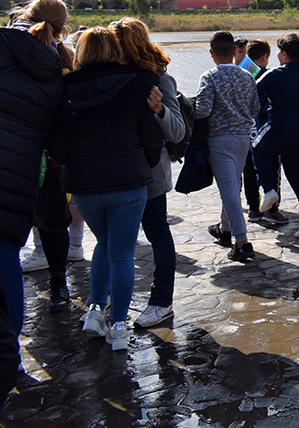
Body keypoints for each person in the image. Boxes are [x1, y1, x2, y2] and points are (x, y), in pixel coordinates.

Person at [56, 27, 165, 351]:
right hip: (127, 180)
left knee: (103, 244)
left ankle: (94, 310)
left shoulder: (64, 89)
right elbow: (152, 139)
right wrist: (140, 164)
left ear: (81, 51)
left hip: (85, 184)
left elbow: (58, 147)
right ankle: (118, 325)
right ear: (114, 50)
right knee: (122, 254)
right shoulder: (137, 83)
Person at [0, 0, 64, 395]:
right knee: (7, 264)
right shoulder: (55, 70)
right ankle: (11, 361)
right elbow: (56, 140)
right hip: (18, 179)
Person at [111, 18, 188, 328]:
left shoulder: (160, 80)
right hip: (115, 171)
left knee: (157, 234)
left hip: (150, 174)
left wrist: (160, 110)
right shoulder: (106, 76)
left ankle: (161, 302)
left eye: (118, 44)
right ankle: (109, 302)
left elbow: (178, 132)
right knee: (115, 241)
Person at [192, 31, 261, 261]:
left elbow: (203, 110)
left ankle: (242, 242)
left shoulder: (209, 77)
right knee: (234, 185)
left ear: (211, 53)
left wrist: (186, 106)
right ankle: (224, 229)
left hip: (219, 139)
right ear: (233, 51)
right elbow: (255, 109)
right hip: (242, 138)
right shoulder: (248, 76)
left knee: (229, 190)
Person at [252, 33, 299, 238]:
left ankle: (268, 189)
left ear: (283, 54)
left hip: (280, 128)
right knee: (296, 175)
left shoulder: (276, 74)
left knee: (257, 146)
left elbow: (253, 92)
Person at [241, 40, 285, 224]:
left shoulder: (241, 76)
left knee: (249, 170)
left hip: (246, 132)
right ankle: (273, 210)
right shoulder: (270, 76)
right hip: (267, 132)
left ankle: (254, 208)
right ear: (265, 56)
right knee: (272, 168)